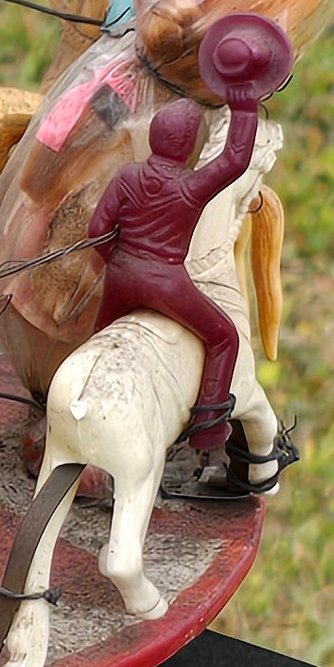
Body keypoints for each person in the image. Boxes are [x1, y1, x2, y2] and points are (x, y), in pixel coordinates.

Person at [87, 95, 259, 448]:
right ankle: (207, 428)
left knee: (97, 336)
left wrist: (117, 260)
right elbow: (235, 160)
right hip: (166, 284)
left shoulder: (126, 175)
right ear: (187, 145)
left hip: (120, 278)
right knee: (225, 336)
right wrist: (245, 107)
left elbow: (96, 230)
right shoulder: (191, 185)